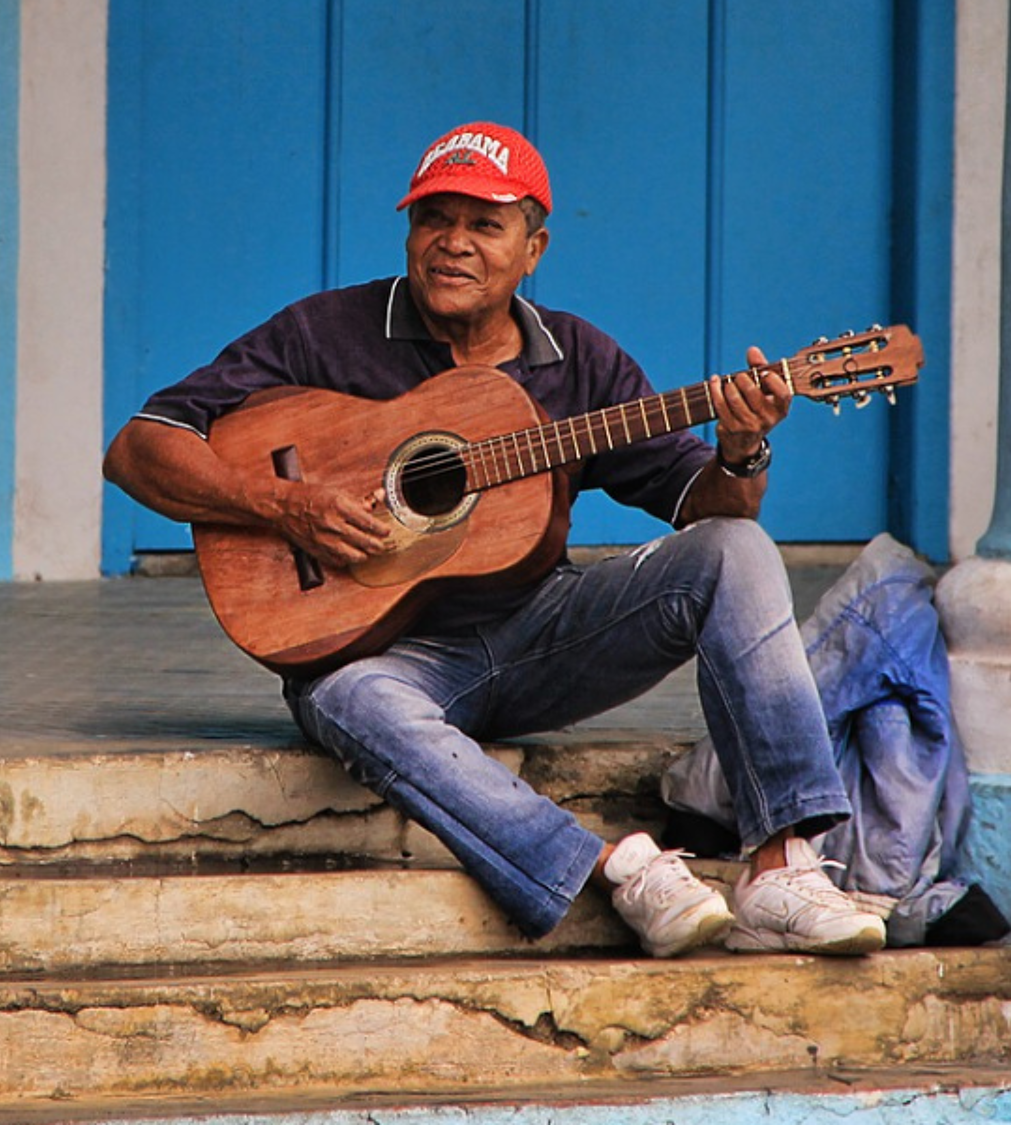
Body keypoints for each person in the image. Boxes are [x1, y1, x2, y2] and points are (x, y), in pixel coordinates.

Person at [102, 121, 885, 958]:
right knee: (341, 698)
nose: (454, 244)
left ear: (533, 248)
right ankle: (617, 867)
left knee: (737, 548)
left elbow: (705, 502)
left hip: (543, 637)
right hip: (384, 656)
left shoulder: (578, 360)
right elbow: (140, 446)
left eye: (485, 224)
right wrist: (283, 504)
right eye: (434, 218)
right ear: (409, 233)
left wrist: (743, 448)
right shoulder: (324, 333)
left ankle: (782, 867)